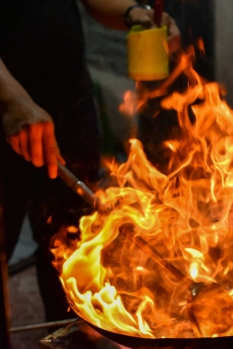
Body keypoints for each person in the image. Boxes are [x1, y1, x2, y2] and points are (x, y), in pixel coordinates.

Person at [0, 0, 179, 322]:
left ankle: (68, 335)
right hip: (5, 109)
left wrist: (132, 12)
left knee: (72, 237)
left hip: (68, 99)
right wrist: (11, 99)